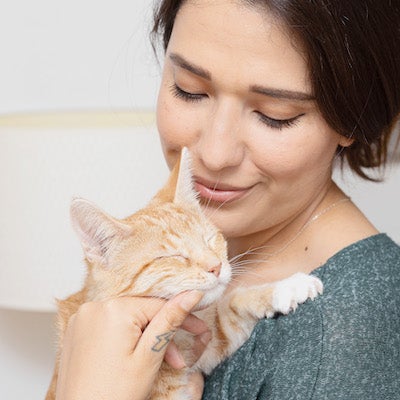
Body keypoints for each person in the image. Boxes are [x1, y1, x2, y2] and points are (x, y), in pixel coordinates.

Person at [55, 0, 400, 399]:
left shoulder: (343, 336)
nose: (215, 155)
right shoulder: (176, 253)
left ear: (351, 118)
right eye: (189, 90)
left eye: (275, 114)